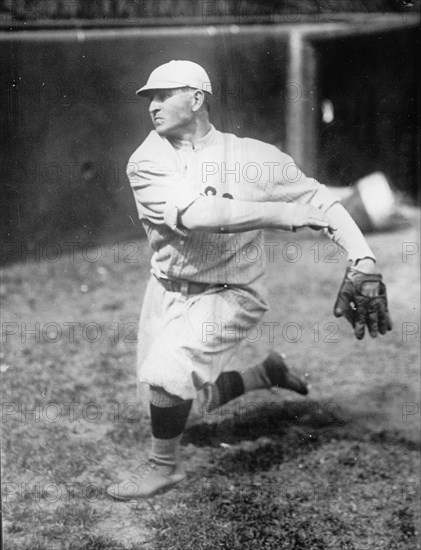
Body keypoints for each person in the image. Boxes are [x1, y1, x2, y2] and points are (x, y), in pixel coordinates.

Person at [107, 60, 392, 500]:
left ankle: (162, 467)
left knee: (167, 376)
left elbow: (323, 201)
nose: (153, 105)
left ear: (197, 98)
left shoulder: (252, 157)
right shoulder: (146, 160)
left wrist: (364, 259)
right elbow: (202, 216)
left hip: (231, 291)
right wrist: (285, 214)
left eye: (164, 95)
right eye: (150, 98)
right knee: (179, 409)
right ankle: (265, 373)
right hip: (165, 289)